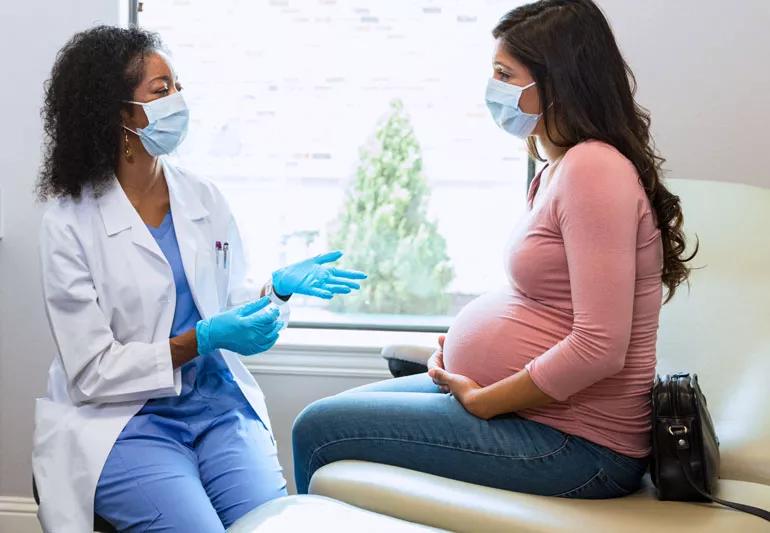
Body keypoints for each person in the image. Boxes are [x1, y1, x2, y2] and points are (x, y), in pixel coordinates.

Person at [292, 0, 696, 499]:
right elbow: (547, 302)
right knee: (321, 419)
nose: (494, 90)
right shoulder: (557, 166)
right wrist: (466, 351)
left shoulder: (595, 170)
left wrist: (487, 399)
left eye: (506, 75)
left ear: (558, 82)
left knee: (318, 430)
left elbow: (599, 347)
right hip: (537, 415)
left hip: (580, 444)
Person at [32, 26, 365, 532]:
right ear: (120, 112)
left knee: (272, 526)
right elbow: (92, 371)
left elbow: (228, 302)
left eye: (178, 87)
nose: (178, 101)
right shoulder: (69, 221)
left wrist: (275, 292)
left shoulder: (201, 196)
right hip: (127, 421)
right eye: (161, 90)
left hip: (217, 407)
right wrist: (200, 340)